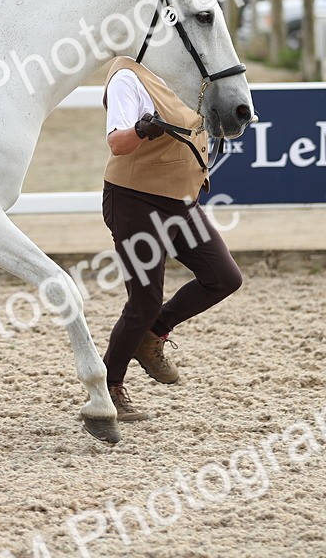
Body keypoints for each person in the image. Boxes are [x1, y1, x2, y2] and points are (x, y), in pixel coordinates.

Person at [100, 56, 243, 421]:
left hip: (183, 201)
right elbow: (118, 143)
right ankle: (108, 390)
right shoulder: (127, 78)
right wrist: (144, 129)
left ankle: (153, 335)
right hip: (136, 201)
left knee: (223, 278)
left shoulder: (184, 76)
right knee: (143, 302)